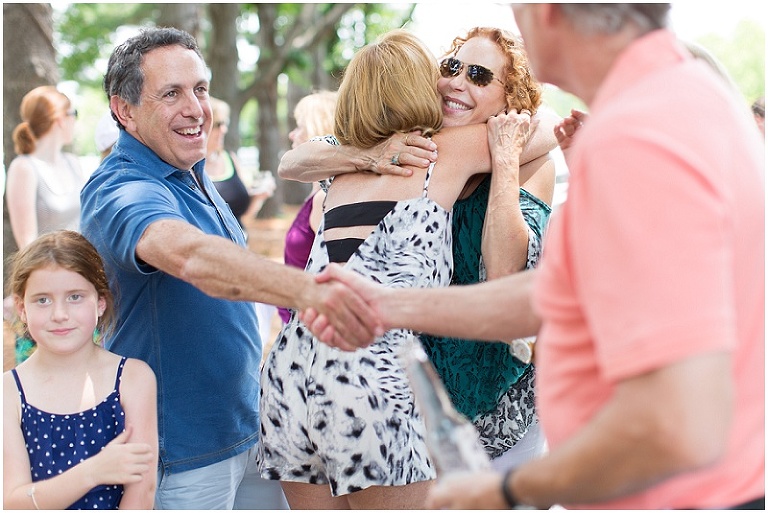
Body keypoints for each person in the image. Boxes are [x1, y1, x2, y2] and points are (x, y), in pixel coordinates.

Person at [304, 4, 765, 510]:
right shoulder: (691, 99)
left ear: (545, 13)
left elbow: (683, 424)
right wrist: (385, 305)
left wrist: (508, 490)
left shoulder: (633, 133)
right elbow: (551, 294)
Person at [79, 27, 380, 510]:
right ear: (124, 110)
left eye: (199, 89)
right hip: (183, 453)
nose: (195, 108)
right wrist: (315, 291)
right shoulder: (121, 187)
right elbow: (191, 256)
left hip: (248, 428)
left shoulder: (191, 173)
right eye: (171, 94)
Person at [256, 28, 536, 510]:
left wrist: (360, 153)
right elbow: (540, 129)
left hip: (289, 372)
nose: (453, 82)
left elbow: (291, 160)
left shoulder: (341, 164)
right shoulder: (442, 154)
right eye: (448, 70)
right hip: (369, 370)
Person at [3, 230, 157, 510]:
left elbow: (142, 492)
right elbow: (13, 502)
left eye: (75, 297)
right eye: (42, 300)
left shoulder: (133, 378)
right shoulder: (8, 392)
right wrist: (93, 472)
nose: (59, 314)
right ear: (21, 308)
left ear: (100, 302)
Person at [5, 85, 87, 365]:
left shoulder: (73, 163)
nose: (75, 121)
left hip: (80, 283)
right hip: (45, 290)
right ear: (60, 118)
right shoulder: (24, 168)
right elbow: (27, 243)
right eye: (74, 113)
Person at [278, 90, 338, 324]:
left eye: (300, 127)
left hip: (308, 326)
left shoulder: (324, 198)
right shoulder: (317, 193)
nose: (292, 134)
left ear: (316, 133)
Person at [206, 96, 275, 228]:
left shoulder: (230, 159)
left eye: (225, 123)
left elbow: (243, 218)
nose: (224, 129)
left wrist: (259, 197)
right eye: (218, 124)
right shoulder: (189, 168)